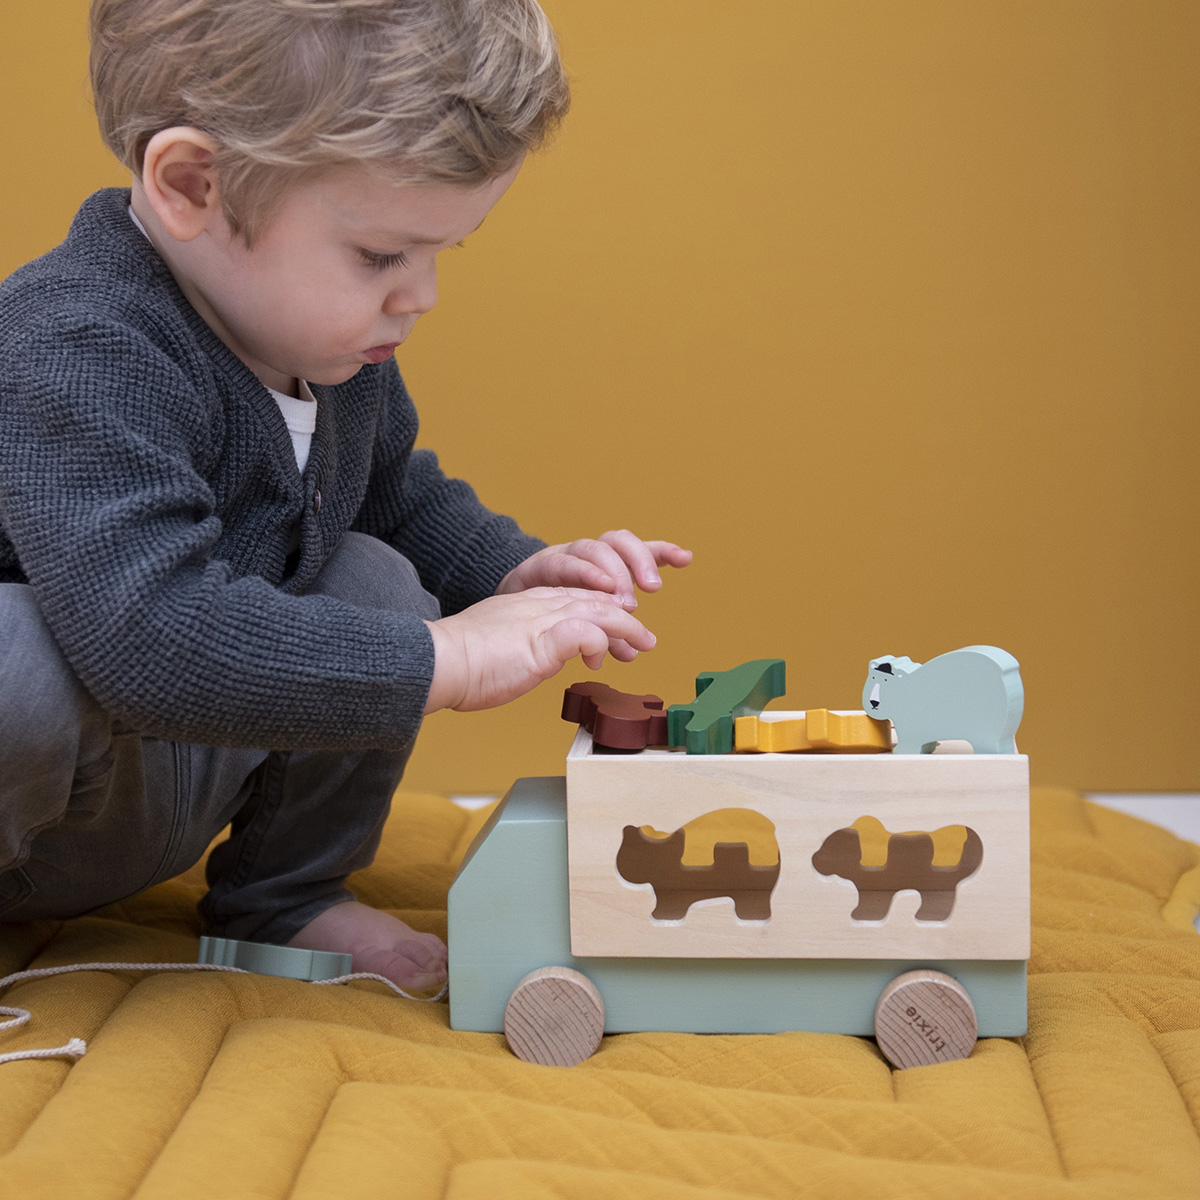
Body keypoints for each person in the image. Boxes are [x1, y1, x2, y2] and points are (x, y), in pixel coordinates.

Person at [0, 0, 690, 994]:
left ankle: (285, 897)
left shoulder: (327, 351)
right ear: (195, 184)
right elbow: (148, 637)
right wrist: (444, 657)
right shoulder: (75, 343)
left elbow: (393, 497)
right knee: (17, 655)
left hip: (145, 779)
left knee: (376, 576)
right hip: (48, 766)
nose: (421, 296)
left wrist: (513, 575)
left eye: (442, 253)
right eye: (380, 257)